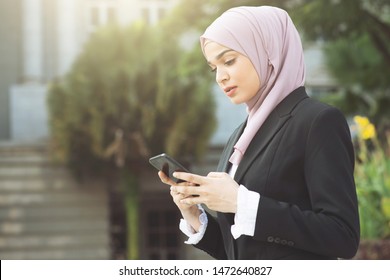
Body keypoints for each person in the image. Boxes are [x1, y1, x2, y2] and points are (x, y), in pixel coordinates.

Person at [158, 6, 360, 260]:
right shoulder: (239, 137)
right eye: (214, 68)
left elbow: (342, 236)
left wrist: (241, 203)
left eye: (229, 61)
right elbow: (240, 251)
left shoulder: (318, 121)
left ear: (267, 53)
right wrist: (195, 216)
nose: (220, 77)